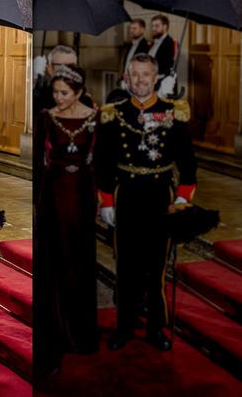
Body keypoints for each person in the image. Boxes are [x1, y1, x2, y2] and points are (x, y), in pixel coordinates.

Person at [95, 53, 197, 352]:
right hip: (126, 196)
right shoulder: (115, 113)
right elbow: (102, 162)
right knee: (125, 267)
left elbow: (188, 163)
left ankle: (156, 328)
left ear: (156, 78)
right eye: (135, 74)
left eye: (146, 75)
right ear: (127, 77)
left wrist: (182, 198)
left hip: (160, 199)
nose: (140, 80)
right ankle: (124, 327)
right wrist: (107, 201)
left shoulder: (173, 112)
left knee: (156, 267)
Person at [33, 64, 99, 379]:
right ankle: (56, 329)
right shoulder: (47, 118)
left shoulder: (96, 118)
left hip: (83, 196)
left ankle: (80, 331)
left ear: (79, 92)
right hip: (52, 195)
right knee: (55, 264)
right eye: (55, 92)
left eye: (64, 93)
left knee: (80, 261)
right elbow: (37, 162)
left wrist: (105, 199)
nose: (58, 98)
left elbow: (101, 160)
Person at [33, 45, 78, 113]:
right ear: (50, 69)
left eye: (72, 67)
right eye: (61, 67)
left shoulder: (84, 98)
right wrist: (33, 79)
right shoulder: (40, 98)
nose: (68, 72)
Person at [148, 15, 177, 84]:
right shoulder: (153, 42)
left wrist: (157, 77)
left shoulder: (170, 43)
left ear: (165, 26)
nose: (153, 29)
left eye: (157, 26)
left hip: (162, 83)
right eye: (152, 26)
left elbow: (169, 68)